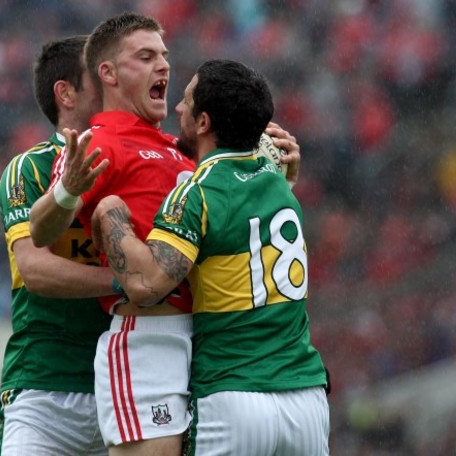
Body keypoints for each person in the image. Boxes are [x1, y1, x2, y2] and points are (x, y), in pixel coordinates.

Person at [30, 13, 303, 456]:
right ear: (109, 73)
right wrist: (66, 192)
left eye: (164, 56)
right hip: (149, 342)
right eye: (146, 56)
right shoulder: (99, 142)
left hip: (210, 346)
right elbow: (42, 231)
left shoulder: (181, 149)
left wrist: (279, 181)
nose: (164, 66)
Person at [91, 59, 330, 455]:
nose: (178, 110)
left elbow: (146, 285)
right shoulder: (280, 185)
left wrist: (110, 213)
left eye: (186, 103)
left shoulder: (197, 192)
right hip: (306, 399)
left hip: (235, 395)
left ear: (203, 123)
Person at [0, 36, 115, 456]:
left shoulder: (136, 164)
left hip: (126, 390)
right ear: (65, 93)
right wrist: (126, 281)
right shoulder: (29, 169)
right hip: (43, 390)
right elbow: (35, 270)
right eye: (99, 75)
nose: (113, 82)